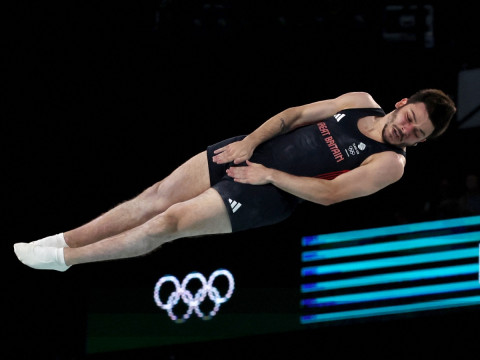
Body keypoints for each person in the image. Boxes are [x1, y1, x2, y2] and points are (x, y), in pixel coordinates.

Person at [14, 89, 456, 271]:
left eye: (419, 133)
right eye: (410, 117)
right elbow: (294, 116)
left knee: (167, 222)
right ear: (402, 103)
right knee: (152, 198)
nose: (407, 129)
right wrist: (250, 144)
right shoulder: (360, 101)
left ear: (421, 141)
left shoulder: (390, 164)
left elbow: (330, 194)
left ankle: (66, 260)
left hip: (267, 195)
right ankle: (59, 239)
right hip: (247, 150)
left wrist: (268, 175)